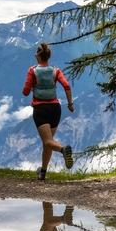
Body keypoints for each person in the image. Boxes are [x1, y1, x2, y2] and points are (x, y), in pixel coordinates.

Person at [22, 43, 74, 180]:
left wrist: (32, 86)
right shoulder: (56, 71)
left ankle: (63, 150)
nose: (34, 55)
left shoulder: (32, 71)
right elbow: (67, 85)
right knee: (48, 141)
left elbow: (25, 92)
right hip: (55, 109)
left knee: (47, 141)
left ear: (38, 55)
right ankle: (43, 172)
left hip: (41, 109)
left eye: (35, 53)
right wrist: (70, 104)